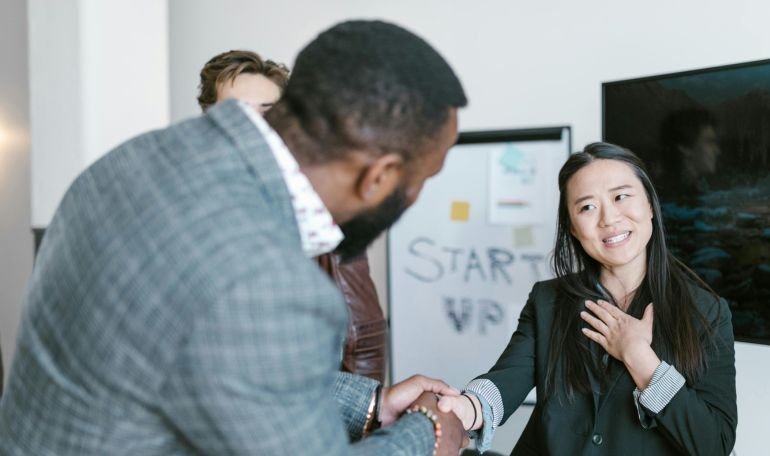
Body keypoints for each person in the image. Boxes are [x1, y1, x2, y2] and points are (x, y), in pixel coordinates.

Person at [0, 20, 469, 455]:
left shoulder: (138, 158)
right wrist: (426, 432)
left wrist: (374, 405)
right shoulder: (267, 280)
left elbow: (219, 359)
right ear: (380, 176)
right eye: (424, 178)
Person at [438, 142, 737, 455]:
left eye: (621, 196)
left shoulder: (707, 312)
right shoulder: (548, 300)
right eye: (587, 207)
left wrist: (640, 358)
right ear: (573, 229)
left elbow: (713, 443)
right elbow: (505, 382)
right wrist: (466, 407)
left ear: (650, 204)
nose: (608, 219)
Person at [198, 50, 388, 382]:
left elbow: (362, 335)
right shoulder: (188, 205)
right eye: (236, 114)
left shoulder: (318, 204)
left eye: (268, 114)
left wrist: (363, 413)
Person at [658, 108, 722, 198]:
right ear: (685, 148)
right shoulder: (677, 196)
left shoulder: (666, 190)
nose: (717, 151)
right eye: (709, 142)